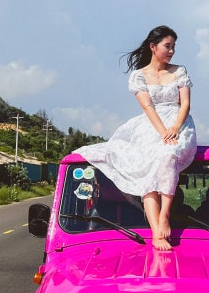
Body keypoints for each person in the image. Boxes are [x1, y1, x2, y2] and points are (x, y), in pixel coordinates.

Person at [74, 25, 197, 250]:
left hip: (179, 123)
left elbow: (186, 104)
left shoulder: (179, 71)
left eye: (174, 47)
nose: (172, 51)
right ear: (153, 47)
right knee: (146, 165)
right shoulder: (138, 76)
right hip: (152, 124)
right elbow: (148, 107)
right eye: (167, 46)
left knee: (168, 155)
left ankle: (164, 215)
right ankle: (156, 233)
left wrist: (175, 128)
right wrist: (162, 132)